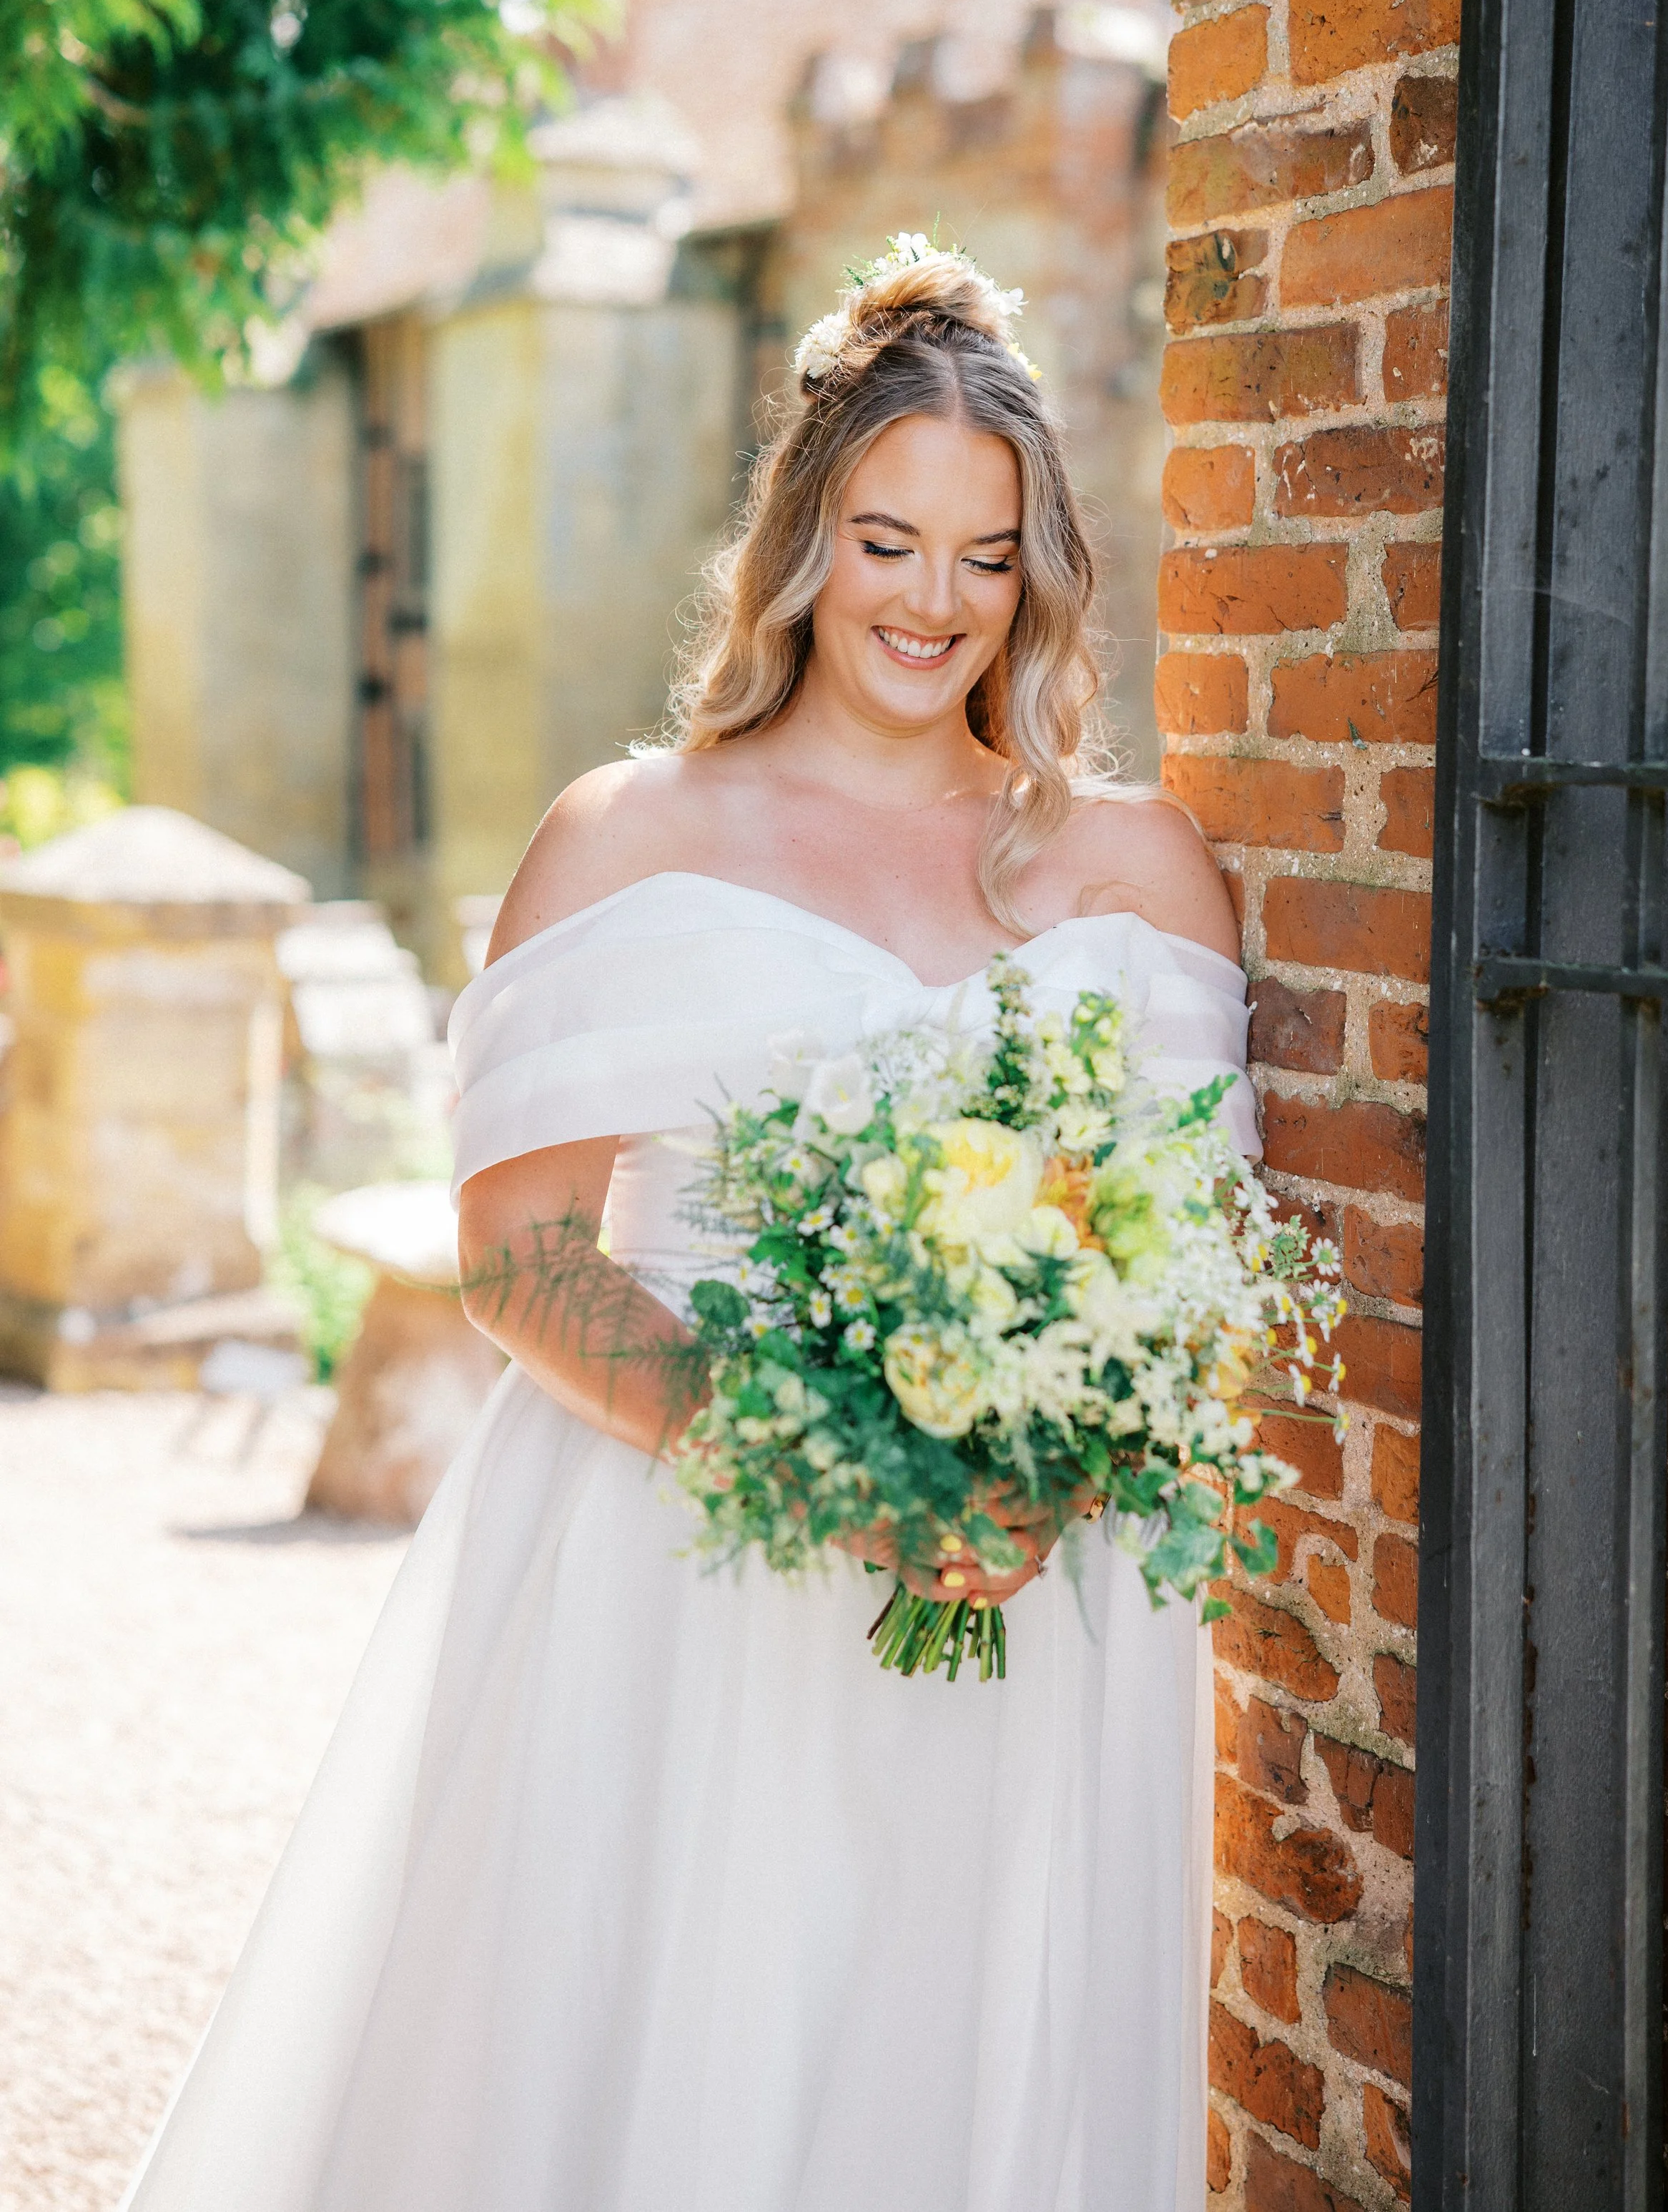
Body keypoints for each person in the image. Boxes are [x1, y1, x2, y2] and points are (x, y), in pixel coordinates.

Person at [120, 241, 1258, 2212]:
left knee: (958, 2071)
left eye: (983, 558)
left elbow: (1194, 1254)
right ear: (802, 539)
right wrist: (847, 1481)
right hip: (686, 1568)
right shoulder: (626, 835)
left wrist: (1042, 1451)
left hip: (1033, 1603)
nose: (930, 602)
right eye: (887, 541)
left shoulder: (1134, 860)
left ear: (1039, 572)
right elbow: (524, 1261)